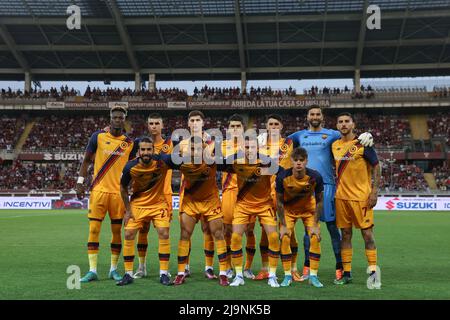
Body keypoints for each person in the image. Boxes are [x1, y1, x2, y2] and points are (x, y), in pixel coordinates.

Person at [288, 106, 374, 282]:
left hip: (327, 187)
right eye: (312, 114)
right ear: (307, 117)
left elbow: (351, 137)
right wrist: (266, 137)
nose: (315, 116)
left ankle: (340, 267)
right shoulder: (298, 136)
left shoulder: (333, 135)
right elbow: (281, 143)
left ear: (322, 117)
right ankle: (308, 267)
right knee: (308, 231)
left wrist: (368, 135)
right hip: (306, 189)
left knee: (334, 229)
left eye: (318, 114)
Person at [76, 106, 136, 283]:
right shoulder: (98, 136)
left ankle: (113, 269)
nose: (118, 119)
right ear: (110, 118)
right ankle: (92, 270)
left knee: (117, 231)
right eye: (115, 117)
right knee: (94, 229)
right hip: (99, 191)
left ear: (124, 119)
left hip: (118, 193)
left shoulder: (130, 143)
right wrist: (80, 183)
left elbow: (132, 169)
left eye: (120, 117)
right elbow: (86, 161)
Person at [172, 111, 229, 286]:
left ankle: (220, 271)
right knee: (184, 233)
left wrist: (210, 148)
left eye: (198, 120)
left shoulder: (213, 143)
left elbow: (222, 161)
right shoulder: (180, 144)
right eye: (192, 120)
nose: (195, 123)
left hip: (210, 197)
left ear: (203, 122)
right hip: (189, 195)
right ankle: (182, 270)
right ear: (188, 124)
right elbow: (170, 162)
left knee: (215, 233)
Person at [331, 112, 381, 289]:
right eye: (340, 122)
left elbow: (377, 166)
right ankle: (347, 273)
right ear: (337, 126)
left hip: (361, 198)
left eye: (347, 121)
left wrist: (374, 191)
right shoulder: (335, 145)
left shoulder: (363, 144)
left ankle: (374, 272)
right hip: (341, 198)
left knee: (367, 235)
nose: (344, 124)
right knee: (345, 235)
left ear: (353, 124)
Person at [224, 138, 281, 288]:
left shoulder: (267, 162)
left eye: (252, 147)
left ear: (258, 147)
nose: (249, 149)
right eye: (247, 146)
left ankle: (272, 275)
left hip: (264, 204)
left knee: (274, 237)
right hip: (243, 205)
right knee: (235, 237)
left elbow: (282, 173)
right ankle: (238, 275)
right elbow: (216, 165)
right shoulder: (235, 161)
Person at [116, 137, 172, 286]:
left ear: (153, 150)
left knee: (164, 232)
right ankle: (128, 274)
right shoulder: (130, 167)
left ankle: (164, 274)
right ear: (138, 151)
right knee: (128, 233)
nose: (146, 152)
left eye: (149, 149)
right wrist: (128, 210)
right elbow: (122, 188)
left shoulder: (162, 161)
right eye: (143, 150)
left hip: (158, 204)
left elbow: (181, 160)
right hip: (138, 204)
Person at [132, 113, 174, 279]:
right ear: (148, 126)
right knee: (143, 231)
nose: (154, 126)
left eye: (157, 123)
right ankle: (142, 266)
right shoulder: (139, 145)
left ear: (162, 125)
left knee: (164, 232)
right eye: (151, 123)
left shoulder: (171, 143)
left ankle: (165, 269)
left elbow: (190, 146)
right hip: (143, 196)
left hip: (164, 195)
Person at [276, 147, 324, 288]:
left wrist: (315, 224)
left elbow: (320, 200)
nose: (298, 163)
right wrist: (283, 225)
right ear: (291, 161)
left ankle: (313, 276)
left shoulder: (315, 176)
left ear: (306, 161)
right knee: (284, 238)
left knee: (314, 237)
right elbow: (279, 201)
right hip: (289, 211)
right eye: (295, 160)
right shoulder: (282, 177)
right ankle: (287, 276)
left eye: (301, 160)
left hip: (308, 211)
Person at [221, 114, 256, 280]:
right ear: (228, 129)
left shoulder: (251, 145)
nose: (235, 129)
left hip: (248, 193)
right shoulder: (221, 146)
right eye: (232, 126)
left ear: (243, 129)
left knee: (249, 230)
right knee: (227, 231)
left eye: (238, 126)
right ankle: (228, 266)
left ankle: (247, 267)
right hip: (228, 191)